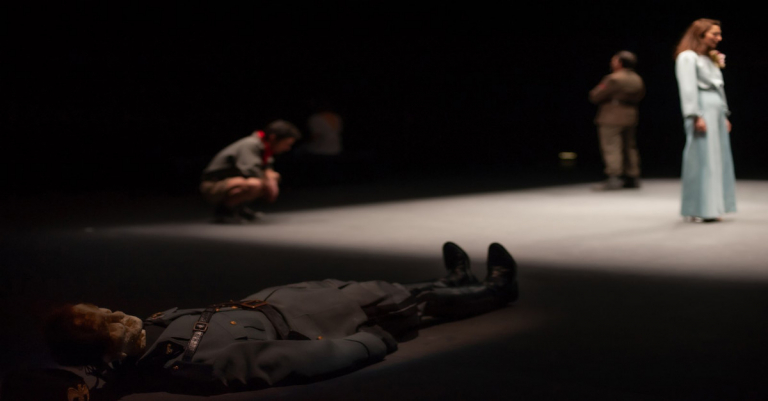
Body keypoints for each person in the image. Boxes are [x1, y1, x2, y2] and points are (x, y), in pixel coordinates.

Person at [40, 242, 518, 399]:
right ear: (108, 344)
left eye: (101, 309)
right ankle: (495, 290)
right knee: (409, 306)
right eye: (104, 320)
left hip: (276, 300)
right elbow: (295, 361)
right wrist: (372, 341)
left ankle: (453, 279)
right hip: (307, 321)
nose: (113, 312)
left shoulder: (144, 332)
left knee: (384, 287)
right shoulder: (185, 364)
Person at [674, 19, 736, 223]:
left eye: (719, 34)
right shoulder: (688, 57)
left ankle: (714, 206)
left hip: (715, 109)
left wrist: (724, 114)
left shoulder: (709, 58)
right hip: (702, 108)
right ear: (700, 35)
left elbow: (719, 88)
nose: (719, 38)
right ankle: (698, 207)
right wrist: (694, 114)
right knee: (702, 158)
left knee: (717, 158)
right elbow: (688, 87)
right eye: (714, 34)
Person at [200, 120, 302, 224]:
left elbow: (267, 168)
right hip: (213, 184)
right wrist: (270, 182)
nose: (287, 148)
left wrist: (271, 178)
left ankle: (238, 208)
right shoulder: (251, 144)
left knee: (272, 177)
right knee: (254, 184)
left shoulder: (265, 148)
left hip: (229, 181)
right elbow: (250, 171)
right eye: (286, 144)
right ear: (273, 137)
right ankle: (224, 210)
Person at [589, 50, 646, 190]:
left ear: (620, 63)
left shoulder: (614, 78)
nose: (612, 63)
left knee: (611, 146)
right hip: (631, 115)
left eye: (614, 60)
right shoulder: (637, 79)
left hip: (612, 115)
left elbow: (596, 95)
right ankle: (632, 176)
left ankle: (614, 177)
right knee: (629, 146)